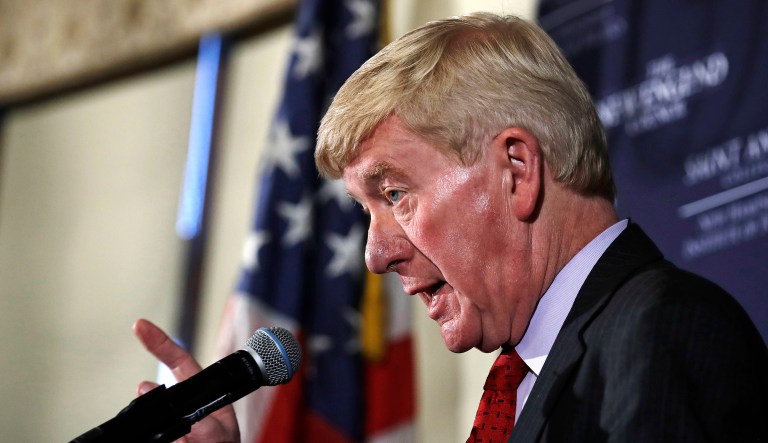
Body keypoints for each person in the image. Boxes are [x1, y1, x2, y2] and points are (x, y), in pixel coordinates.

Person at [135, 12, 768, 443]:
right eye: (367, 210)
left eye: (395, 193)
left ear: (516, 170)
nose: (375, 255)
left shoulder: (660, 333)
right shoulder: (535, 374)